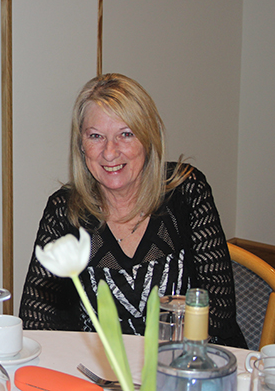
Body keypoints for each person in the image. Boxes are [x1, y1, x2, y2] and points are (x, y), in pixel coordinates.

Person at [19, 73, 247, 348]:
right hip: (100, 367)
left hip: (187, 361)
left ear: (148, 138)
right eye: (96, 136)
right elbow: (37, 319)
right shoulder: (65, 211)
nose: (110, 152)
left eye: (125, 134)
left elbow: (218, 312)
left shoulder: (186, 192)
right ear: (81, 145)